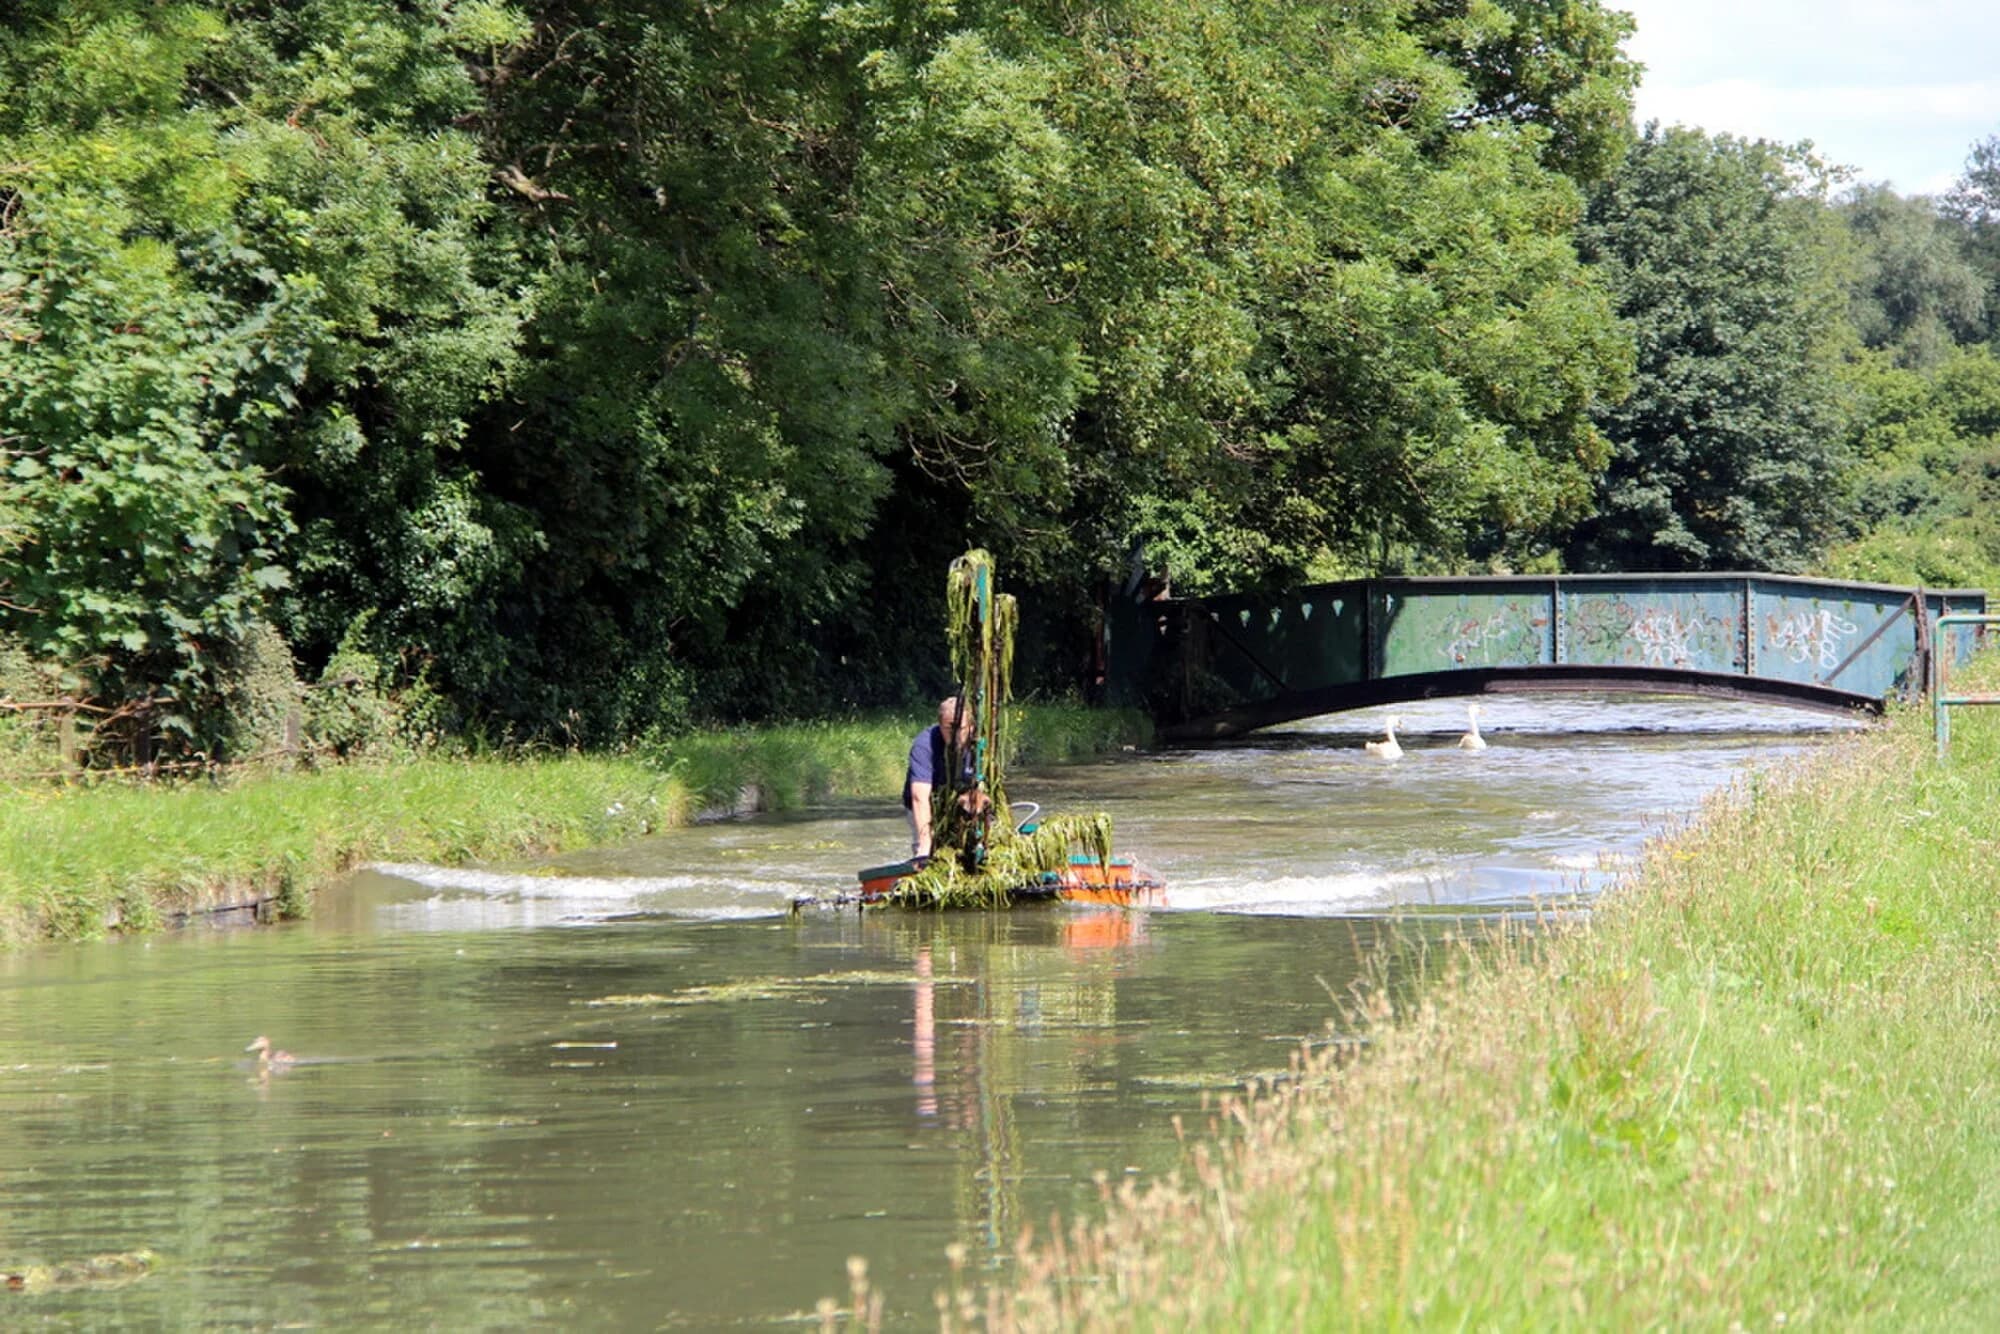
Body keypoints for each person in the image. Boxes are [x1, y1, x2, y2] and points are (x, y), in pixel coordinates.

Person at [904, 695, 977, 859]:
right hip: (926, 805)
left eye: (961, 729)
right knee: (927, 852)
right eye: (949, 729)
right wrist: (925, 844)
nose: (956, 736)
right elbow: (919, 797)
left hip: (961, 802)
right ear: (940, 725)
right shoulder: (924, 746)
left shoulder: (978, 745)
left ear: (971, 727)